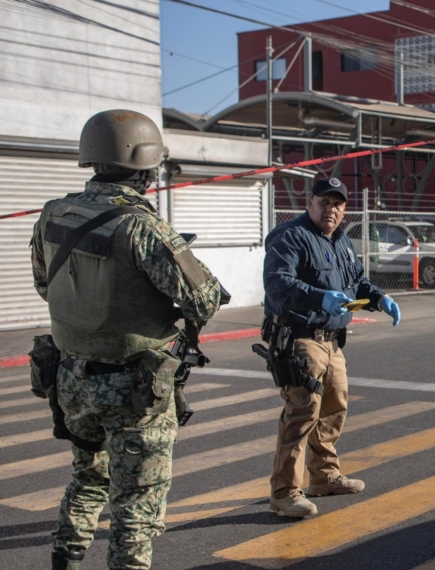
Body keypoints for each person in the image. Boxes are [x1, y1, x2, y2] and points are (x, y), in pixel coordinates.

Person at [30, 109, 223, 570]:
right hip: (134, 388)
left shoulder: (54, 213)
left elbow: (43, 284)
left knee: (87, 477)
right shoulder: (143, 227)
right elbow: (205, 300)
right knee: (136, 500)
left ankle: (67, 558)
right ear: (147, 167)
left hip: (72, 377)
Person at [261, 177, 401, 518]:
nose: (332, 209)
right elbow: (277, 283)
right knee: (302, 413)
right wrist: (319, 296)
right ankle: (284, 493)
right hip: (300, 338)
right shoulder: (291, 236)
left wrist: (378, 298)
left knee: (333, 409)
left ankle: (324, 476)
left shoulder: (341, 241)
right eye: (325, 202)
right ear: (310, 203)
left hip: (332, 341)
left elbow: (357, 282)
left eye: (338, 204)